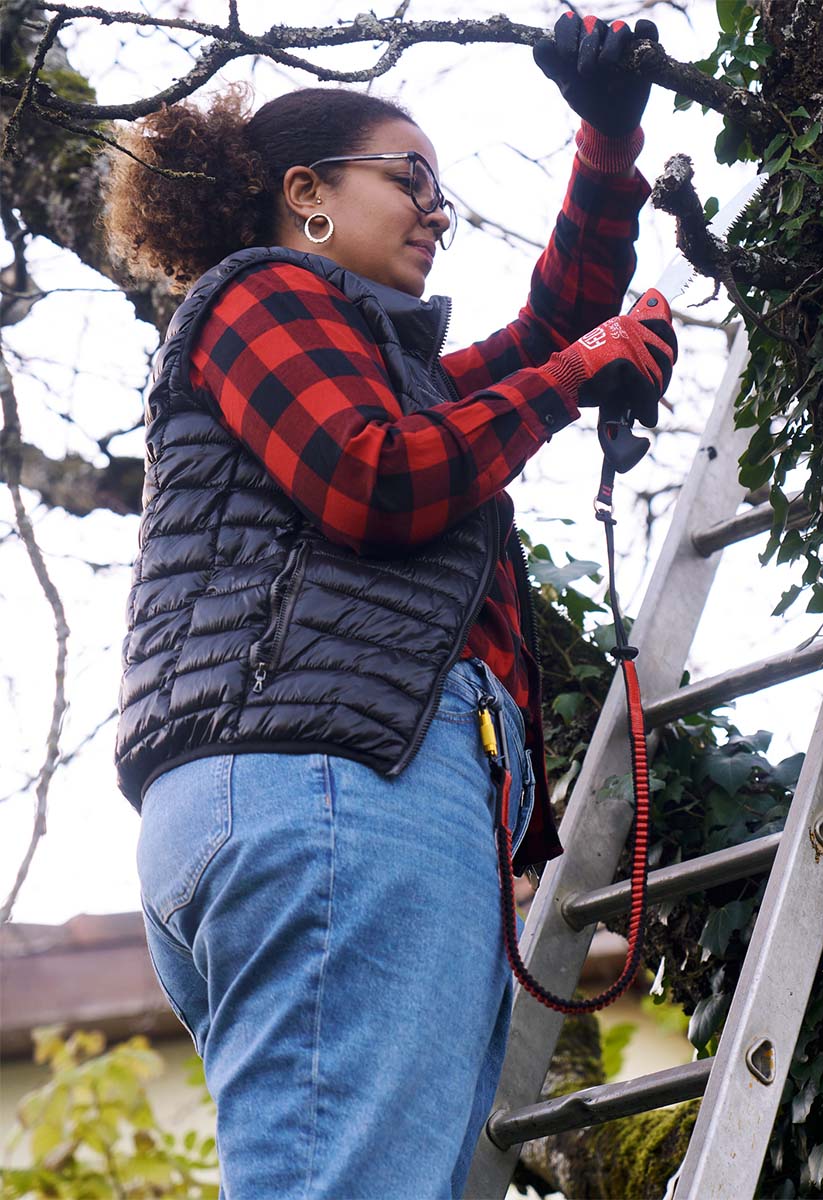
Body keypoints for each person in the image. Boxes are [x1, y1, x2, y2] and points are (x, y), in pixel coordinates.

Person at [104, 12, 676, 1198]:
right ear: (305, 191)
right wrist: (578, 377)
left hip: (293, 797)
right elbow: (378, 477)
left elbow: (540, 344)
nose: (436, 207)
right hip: (333, 787)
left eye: (443, 191)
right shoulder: (259, 295)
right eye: (409, 177)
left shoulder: (363, 361)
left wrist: (607, 151)